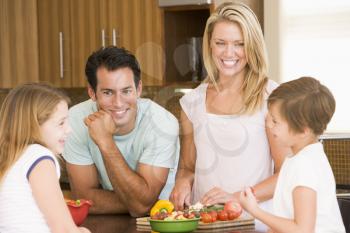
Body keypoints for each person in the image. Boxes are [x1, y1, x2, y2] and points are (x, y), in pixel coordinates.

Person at [170, 1, 289, 217]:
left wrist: (236, 197)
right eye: (220, 42)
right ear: (210, 45)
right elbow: (188, 167)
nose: (229, 52)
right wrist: (182, 183)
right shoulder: (192, 103)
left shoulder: (272, 97)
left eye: (239, 44)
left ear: (251, 46)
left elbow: (286, 173)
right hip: (205, 221)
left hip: (255, 223)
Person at [63, 46, 179, 216]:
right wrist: (140, 200)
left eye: (126, 91)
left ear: (138, 89)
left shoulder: (162, 124)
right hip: (109, 223)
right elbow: (84, 198)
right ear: (92, 92)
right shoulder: (75, 120)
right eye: (108, 92)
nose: (118, 103)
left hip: (160, 223)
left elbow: (142, 207)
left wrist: (105, 141)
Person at [240, 77, 345, 233]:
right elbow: (287, 219)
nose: (269, 125)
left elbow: (302, 230)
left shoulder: (304, 166)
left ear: (303, 130)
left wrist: (255, 211)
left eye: (275, 122)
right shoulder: (302, 158)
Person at [0, 83, 90, 233]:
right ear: (34, 125)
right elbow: (63, 230)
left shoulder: (10, 158)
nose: (69, 130)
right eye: (61, 123)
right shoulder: (39, 157)